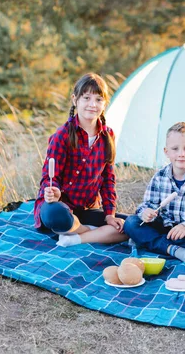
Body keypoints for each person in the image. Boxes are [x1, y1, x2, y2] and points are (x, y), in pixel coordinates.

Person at [33, 73, 128, 247]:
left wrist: (109, 215)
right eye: (86, 98)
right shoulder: (62, 135)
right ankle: (89, 231)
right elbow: (49, 177)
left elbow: (108, 180)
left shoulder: (108, 135)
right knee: (55, 214)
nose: (93, 104)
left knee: (130, 226)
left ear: (105, 104)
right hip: (61, 206)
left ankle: (76, 236)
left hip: (87, 208)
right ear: (75, 100)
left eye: (99, 99)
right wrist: (52, 192)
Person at [122, 122, 185, 263]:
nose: (181, 154)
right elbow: (146, 205)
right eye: (175, 149)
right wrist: (146, 212)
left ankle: (150, 242)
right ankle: (171, 249)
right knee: (131, 223)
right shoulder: (159, 177)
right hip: (164, 227)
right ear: (166, 152)